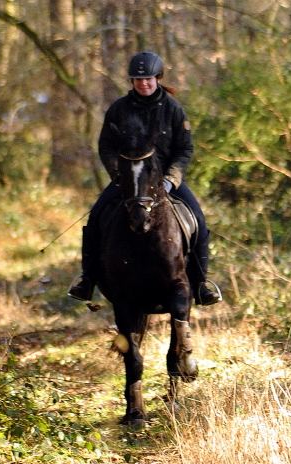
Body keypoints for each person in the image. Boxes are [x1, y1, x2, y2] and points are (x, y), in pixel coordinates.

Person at [68, 51, 219, 306]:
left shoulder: (173, 109)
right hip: (129, 180)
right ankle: (87, 280)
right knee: (94, 218)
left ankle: (201, 284)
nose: (143, 83)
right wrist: (118, 174)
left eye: (148, 78)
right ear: (132, 82)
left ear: (158, 78)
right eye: (138, 80)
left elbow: (185, 149)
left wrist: (172, 179)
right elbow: (105, 145)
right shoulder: (119, 109)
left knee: (199, 222)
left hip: (166, 181)